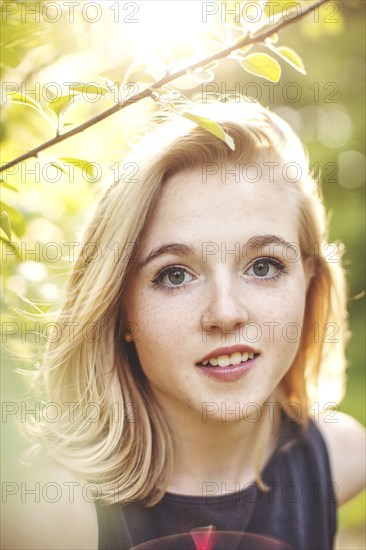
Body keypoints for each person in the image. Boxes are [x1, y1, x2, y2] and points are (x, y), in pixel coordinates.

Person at [2, 100, 365, 550]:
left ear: (308, 283)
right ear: (120, 309)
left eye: (265, 266)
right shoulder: (50, 516)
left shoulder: (343, 458)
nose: (226, 313)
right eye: (175, 274)